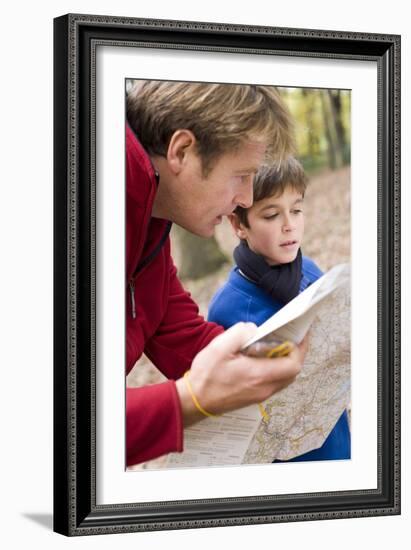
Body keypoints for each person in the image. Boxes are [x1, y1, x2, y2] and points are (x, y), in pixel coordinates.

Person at [125, 80, 308, 466]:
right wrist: (189, 401)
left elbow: (181, 336)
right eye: (242, 176)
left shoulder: (150, 225)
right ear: (183, 151)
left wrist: (272, 358)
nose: (246, 199)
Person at [208, 158, 351, 461]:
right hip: (278, 463)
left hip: (335, 444)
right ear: (238, 225)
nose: (289, 224)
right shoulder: (227, 307)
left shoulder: (311, 272)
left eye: (297, 210)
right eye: (272, 214)